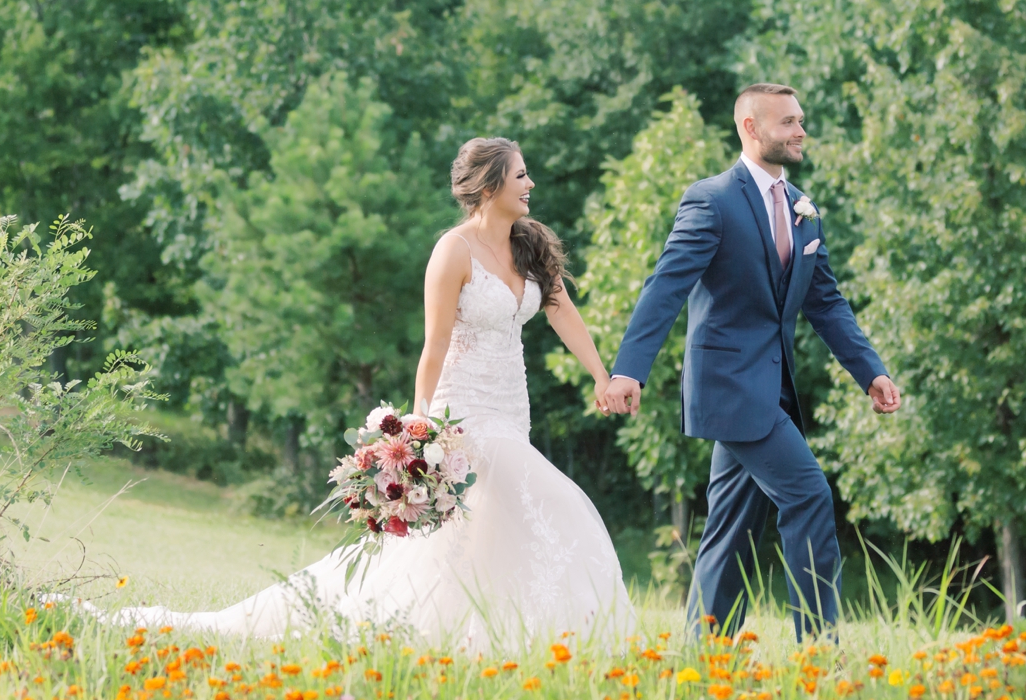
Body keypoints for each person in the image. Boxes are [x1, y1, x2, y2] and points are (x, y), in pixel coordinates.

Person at [82, 137, 632, 651]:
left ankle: (476, 634)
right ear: (489, 186)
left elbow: (562, 312)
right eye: (520, 174)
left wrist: (601, 376)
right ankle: (574, 629)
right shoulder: (453, 251)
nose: (530, 183)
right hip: (462, 412)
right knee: (553, 499)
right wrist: (422, 430)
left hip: (513, 407)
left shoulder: (530, 245)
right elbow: (434, 345)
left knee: (481, 532)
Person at [603, 83, 900, 640]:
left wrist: (871, 371)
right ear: (750, 127)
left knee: (731, 529)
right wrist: (629, 370)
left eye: (800, 121)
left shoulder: (803, 209)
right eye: (787, 122)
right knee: (809, 494)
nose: (800, 131)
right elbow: (666, 287)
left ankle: (705, 654)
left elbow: (825, 301)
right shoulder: (712, 199)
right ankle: (820, 648)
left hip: (774, 392)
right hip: (728, 388)